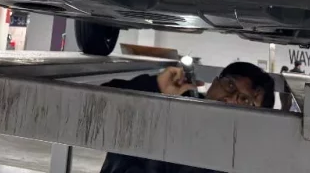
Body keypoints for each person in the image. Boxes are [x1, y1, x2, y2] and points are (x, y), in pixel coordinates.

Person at [99, 61, 275, 173]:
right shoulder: (165, 106)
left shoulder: (239, 163)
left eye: (245, 100)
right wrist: (154, 86)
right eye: (230, 85)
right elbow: (95, 109)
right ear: (215, 82)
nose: (229, 100)